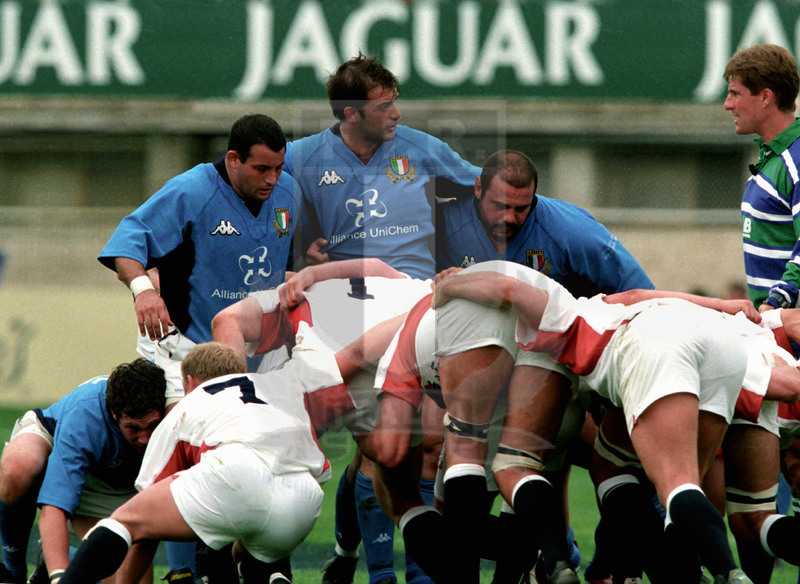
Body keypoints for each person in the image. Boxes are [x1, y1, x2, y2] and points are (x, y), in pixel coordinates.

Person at [433, 260, 800, 584]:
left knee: (676, 484)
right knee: (641, 476)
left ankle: (728, 571)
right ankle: (675, 573)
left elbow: (510, 288)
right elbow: (641, 293)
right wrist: (723, 305)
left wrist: (449, 285)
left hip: (659, 346)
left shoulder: (566, 311)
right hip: (723, 346)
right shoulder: (619, 304)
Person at [54, 341, 336, 584]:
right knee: (251, 548)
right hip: (304, 500)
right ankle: (269, 571)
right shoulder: (280, 397)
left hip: (235, 473)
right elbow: (319, 471)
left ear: (190, 381)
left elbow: (146, 527)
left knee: (124, 522)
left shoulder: (192, 402)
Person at [98, 113, 298, 406]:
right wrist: (144, 292)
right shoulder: (191, 190)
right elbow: (126, 245)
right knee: (187, 429)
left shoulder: (289, 192)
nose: (272, 179)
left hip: (262, 353)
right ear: (233, 159)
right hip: (190, 351)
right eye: (262, 169)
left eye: (279, 168)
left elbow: (296, 261)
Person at [0, 359, 166, 584]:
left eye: (152, 425)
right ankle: (13, 573)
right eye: (133, 427)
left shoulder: (175, 410)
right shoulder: (85, 417)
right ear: (114, 414)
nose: (144, 438)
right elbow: (55, 507)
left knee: (127, 579)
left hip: (114, 483)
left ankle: (57, 564)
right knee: (17, 469)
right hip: (63, 450)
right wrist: (59, 578)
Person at [435, 150, 649, 296]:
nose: (509, 218)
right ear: (479, 188)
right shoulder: (442, 225)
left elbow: (640, 292)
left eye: (521, 208)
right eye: (501, 206)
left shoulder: (572, 231)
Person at [724, 43, 800, 311]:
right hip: (774, 327)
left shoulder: (796, 160)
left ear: (766, 97)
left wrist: (776, 302)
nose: (728, 104)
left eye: (735, 94)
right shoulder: (771, 159)